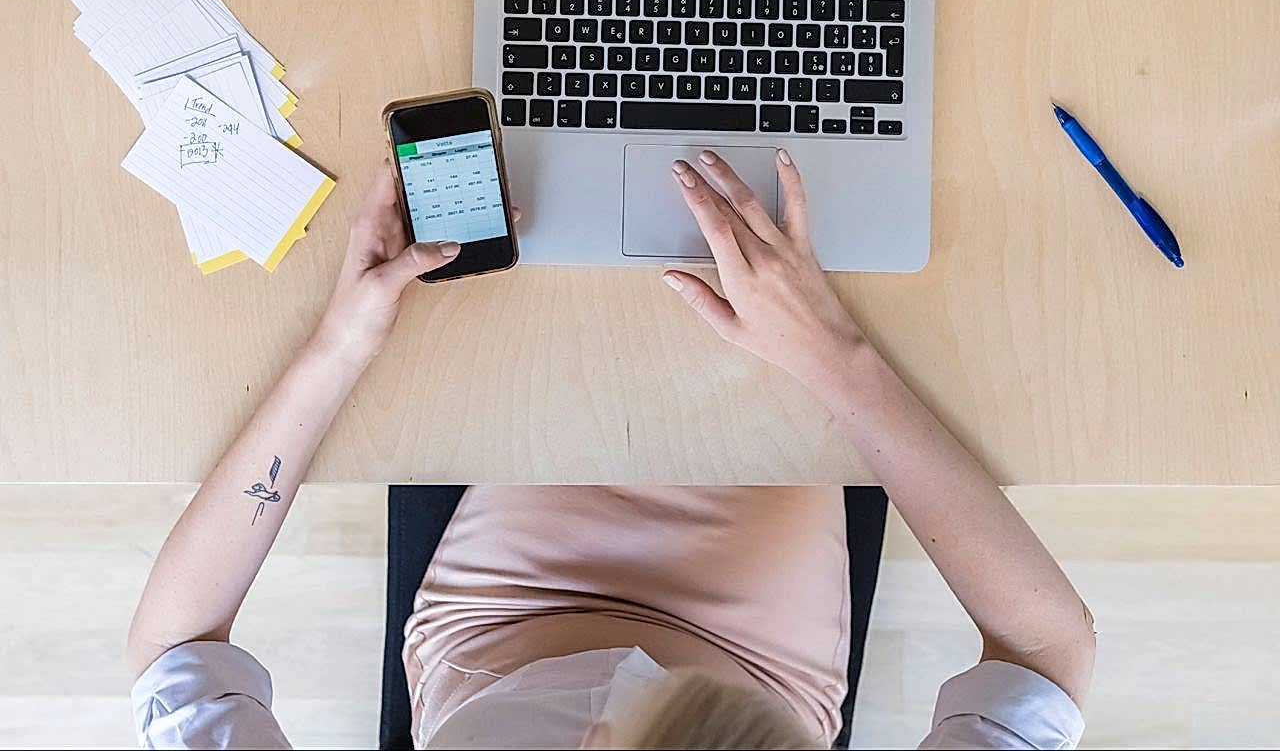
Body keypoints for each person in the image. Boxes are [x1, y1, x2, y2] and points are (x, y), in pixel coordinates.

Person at [128, 150, 1095, 750]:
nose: (605, 705)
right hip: (753, 641)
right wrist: (838, 359)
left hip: (506, 612)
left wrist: (341, 343)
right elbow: (1046, 656)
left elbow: (177, 648)